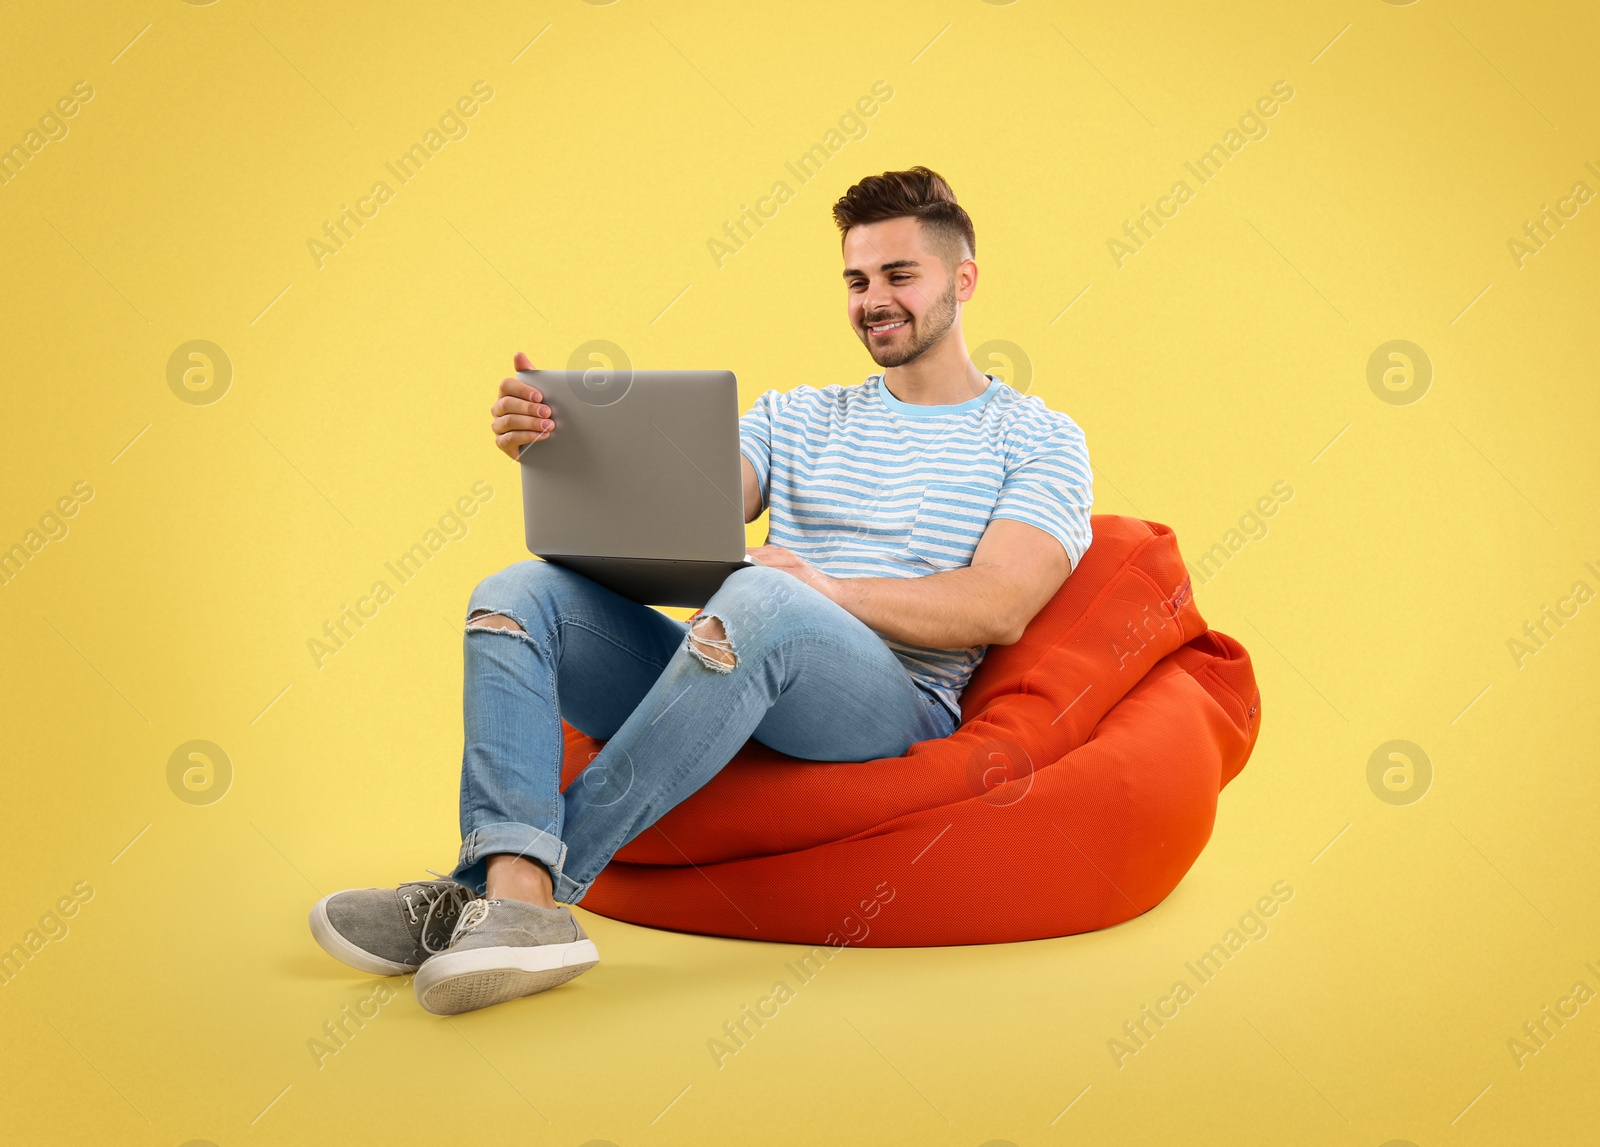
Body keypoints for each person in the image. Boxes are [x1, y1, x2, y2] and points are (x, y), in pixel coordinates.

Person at [308, 166, 1095, 1015]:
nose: (875, 299)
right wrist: (560, 452)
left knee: (763, 595)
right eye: (857, 280)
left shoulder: (1036, 436)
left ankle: (512, 898)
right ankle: (505, 886)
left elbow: (998, 604)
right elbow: (684, 514)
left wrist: (821, 586)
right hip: (734, 653)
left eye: (900, 275)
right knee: (516, 592)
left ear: (962, 279)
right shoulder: (795, 415)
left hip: (889, 699)